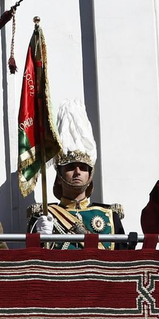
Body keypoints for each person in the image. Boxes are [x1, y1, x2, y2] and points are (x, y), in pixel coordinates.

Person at [29, 98, 125, 248]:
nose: (77, 172)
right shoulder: (44, 216)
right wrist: (39, 241)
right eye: (70, 167)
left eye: (83, 167)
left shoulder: (110, 216)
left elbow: (124, 260)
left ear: (90, 174)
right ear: (59, 177)